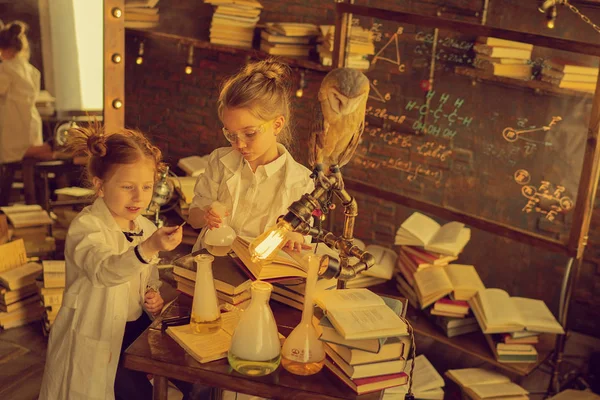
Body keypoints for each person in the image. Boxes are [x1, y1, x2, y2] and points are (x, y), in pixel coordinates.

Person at [38, 124, 185, 400]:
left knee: (139, 390)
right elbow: (105, 272)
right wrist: (150, 247)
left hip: (132, 328)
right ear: (100, 185)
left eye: (147, 186)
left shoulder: (143, 226)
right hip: (96, 330)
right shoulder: (87, 228)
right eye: (127, 187)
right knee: (99, 389)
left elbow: (144, 273)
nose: (139, 197)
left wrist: (150, 293)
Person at [188, 59, 314, 252]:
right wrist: (206, 213)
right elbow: (193, 219)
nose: (239, 144)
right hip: (210, 261)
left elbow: (303, 237)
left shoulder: (301, 181)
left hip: (259, 276)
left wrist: (294, 237)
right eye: (231, 134)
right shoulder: (219, 162)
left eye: (250, 133)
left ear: (277, 125)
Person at [0, 20, 53, 205]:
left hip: (14, 127)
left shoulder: (6, 69)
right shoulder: (31, 70)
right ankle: (46, 149)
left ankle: (3, 205)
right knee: (24, 151)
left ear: (4, 49)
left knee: (8, 156)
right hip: (31, 124)